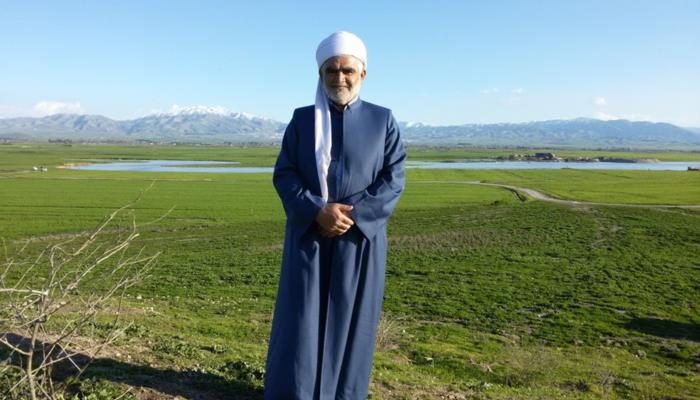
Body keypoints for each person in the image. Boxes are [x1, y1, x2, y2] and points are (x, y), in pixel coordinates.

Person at [264, 31, 406, 399]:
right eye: (331, 70)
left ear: (363, 74)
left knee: (352, 319)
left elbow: (394, 177)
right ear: (320, 74)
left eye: (347, 70)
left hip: (359, 242)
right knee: (301, 318)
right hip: (309, 237)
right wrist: (316, 210)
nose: (339, 78)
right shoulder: (302, 121)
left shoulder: (383, 120)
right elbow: (285, 173)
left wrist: (353, 216)